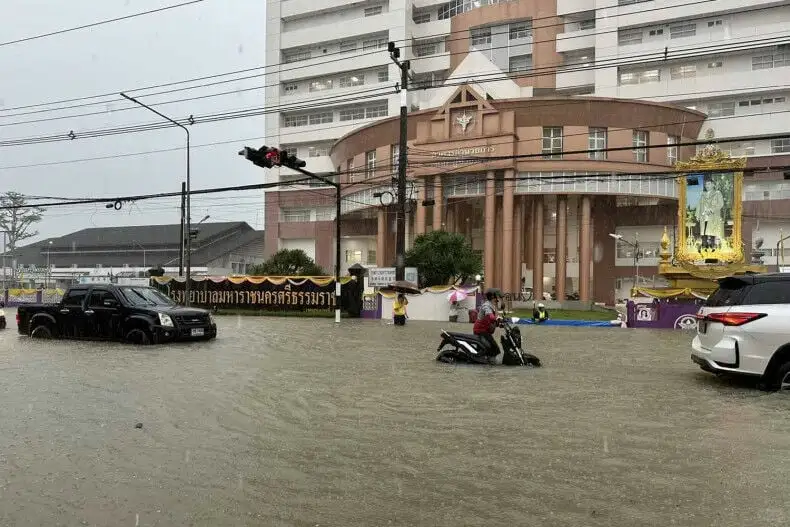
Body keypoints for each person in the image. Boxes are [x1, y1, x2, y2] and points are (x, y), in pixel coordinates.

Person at [696, 175, 725, 250]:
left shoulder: (717, 193)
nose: (707, 186)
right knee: (703, 231)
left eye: (709, 184)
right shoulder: (703, 194)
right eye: (706, 184)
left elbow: (721, 204)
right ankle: (704, 245)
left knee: (712, 231)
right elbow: (699, 205)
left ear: (713, 185)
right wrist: (697, 215)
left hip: (713, 215)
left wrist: (712, 210)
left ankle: (713, 245)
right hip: (704, 216)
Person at [473, 289, 503, 360]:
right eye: (497, 297)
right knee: (494, 348)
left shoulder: (493, 306)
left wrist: (499, 324)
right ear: (493, 297)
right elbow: (490, 316)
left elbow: (492, 320)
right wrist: (498, 319)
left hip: (485, 330)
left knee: (491, 347)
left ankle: (488, 359)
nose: (498, 299)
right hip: (481, 330)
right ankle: (489, 361)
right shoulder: (487, 305)